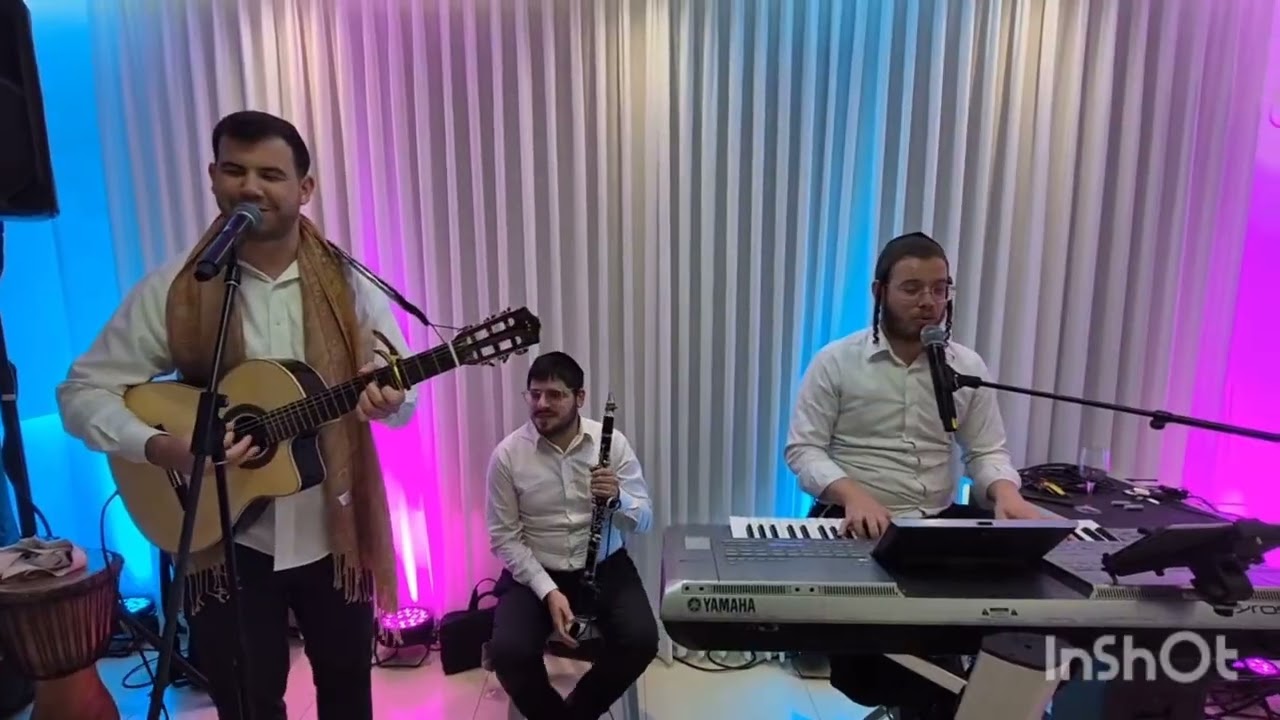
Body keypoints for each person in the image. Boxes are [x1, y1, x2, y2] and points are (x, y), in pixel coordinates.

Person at [56, 110, 417, 720]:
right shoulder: (178, 287)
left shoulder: (348, 284)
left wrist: (391, 400)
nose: (250, 187)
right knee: (246, 701)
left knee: (347, 690)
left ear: (305, 188)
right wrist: (159, 445)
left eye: (270, 175)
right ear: (212, 177)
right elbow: (81, 392)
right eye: (235, 170)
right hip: (223, 539)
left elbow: (400, 394)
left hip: (335, 530)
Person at [784, 231, 1043, 719]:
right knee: (891, 669)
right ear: (879, 291)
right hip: (859, 528)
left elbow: (986, 450)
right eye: (912, 288)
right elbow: (804, 450)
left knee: (1029, 619)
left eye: (940, 289)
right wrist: (853, 494)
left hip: (938, 526)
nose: (929, 301)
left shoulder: (965, 366)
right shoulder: (836, 362)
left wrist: (1005, 492)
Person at [485, 351, 658, 720]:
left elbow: (644, 520)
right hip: (535, 571)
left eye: (555, 395)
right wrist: (548, 590)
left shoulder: (613, 444)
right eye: (534, 394)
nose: (541, 404)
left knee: (642, 640)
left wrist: (617, 498)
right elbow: (504, 538)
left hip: (605, 565)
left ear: (580, 397)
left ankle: (579, 711)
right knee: (509, 652)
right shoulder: (507, 456)